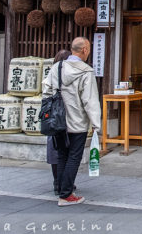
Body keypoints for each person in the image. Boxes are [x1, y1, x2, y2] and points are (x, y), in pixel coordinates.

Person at [42, 37, 102, 206]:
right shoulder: (86, 72)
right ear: (84, 50)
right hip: (77, 122)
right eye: (88, 48)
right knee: (74, 157)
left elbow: (46, 90)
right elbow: (90, 100)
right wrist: (96, 123)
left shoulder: (57, 68)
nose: (89, 52)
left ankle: (62, 189)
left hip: (58, 121)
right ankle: (66, 195)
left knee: (62, 155)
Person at [45, 49, 72, 195]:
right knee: (66, 150)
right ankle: (64, 183)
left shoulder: (51, 74)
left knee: (55, 149)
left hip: (52, 116)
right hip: (66, 116)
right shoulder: (70, 75)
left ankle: (57, 182)